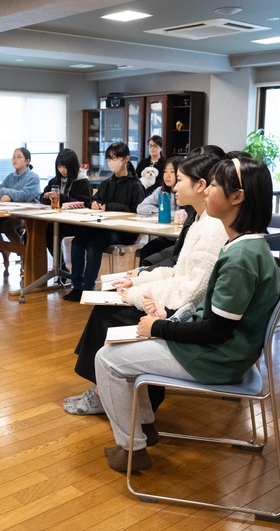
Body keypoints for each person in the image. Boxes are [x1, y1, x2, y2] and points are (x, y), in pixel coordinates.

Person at [94, 157, 280, 472]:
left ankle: (132, 449)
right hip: (224, 352)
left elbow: (215, 332)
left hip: (216, 359)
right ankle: (145, 429)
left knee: (106, 359)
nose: (207, 191)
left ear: (237, 198)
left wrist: (160, 327)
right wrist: (171, 317)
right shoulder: (247, 246)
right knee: (117, 349)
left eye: (215, 186)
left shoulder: (240, 258)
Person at [63, 152, 227, 416]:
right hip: (173, 302)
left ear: (200, 185)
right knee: (108, 305)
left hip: (182, 313)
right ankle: (105, 391)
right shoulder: (198, 221)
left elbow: (191, 291)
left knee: (113, 313)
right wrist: (139, 281)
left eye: (180, 179)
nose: (172, 186)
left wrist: (138, 294)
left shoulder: (212, 227)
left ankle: (109, 395)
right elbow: (177, 271)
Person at [64, 142, 144, 301]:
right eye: (109, 159)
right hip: (104, 226)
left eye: (115, 158)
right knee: (78, 241)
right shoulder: (108, 182)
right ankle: (77, 286)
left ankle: (88, 287)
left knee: (95, 244)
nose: (111, 162)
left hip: (124, 231)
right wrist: (93, 203)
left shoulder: (135, 185)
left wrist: (110, 206)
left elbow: (138, 211)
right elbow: (96, 199)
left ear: (126, 159)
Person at [0, 147, 41, 272]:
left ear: (27, 161)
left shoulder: (33, 177)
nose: (14, 159)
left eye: (18, 157)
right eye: (13, 157)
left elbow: (24, 195)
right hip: (11, 213)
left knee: (8, 226)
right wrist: (4, 196)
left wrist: (7, 193)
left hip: (28, 215)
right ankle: (4, 249)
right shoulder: (10, 177)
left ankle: (23, 255)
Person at [40, 148, 92, 273]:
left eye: (65, 167)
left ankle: (61, 268)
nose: (62, 170)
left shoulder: (83, 182)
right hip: (59, 220)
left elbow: (84, 204)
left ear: (72, 166)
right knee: (40, 230)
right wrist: (47, 197)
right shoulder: (55, 181)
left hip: (77, 223)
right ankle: (60, 267)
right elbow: (41, 197)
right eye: (59, 166)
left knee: (51, 231)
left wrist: (61, 198)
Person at [135, 156, 183, 262]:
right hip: (166, 236)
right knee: (147, 250)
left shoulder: (185, 192)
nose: (167, 176)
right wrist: (159, 211)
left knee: (159, 254)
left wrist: (166, 213)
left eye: (172, 172)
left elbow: (185, 214)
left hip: (180, 238)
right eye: (165, 172)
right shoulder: (160, 191)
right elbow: (141, 208)